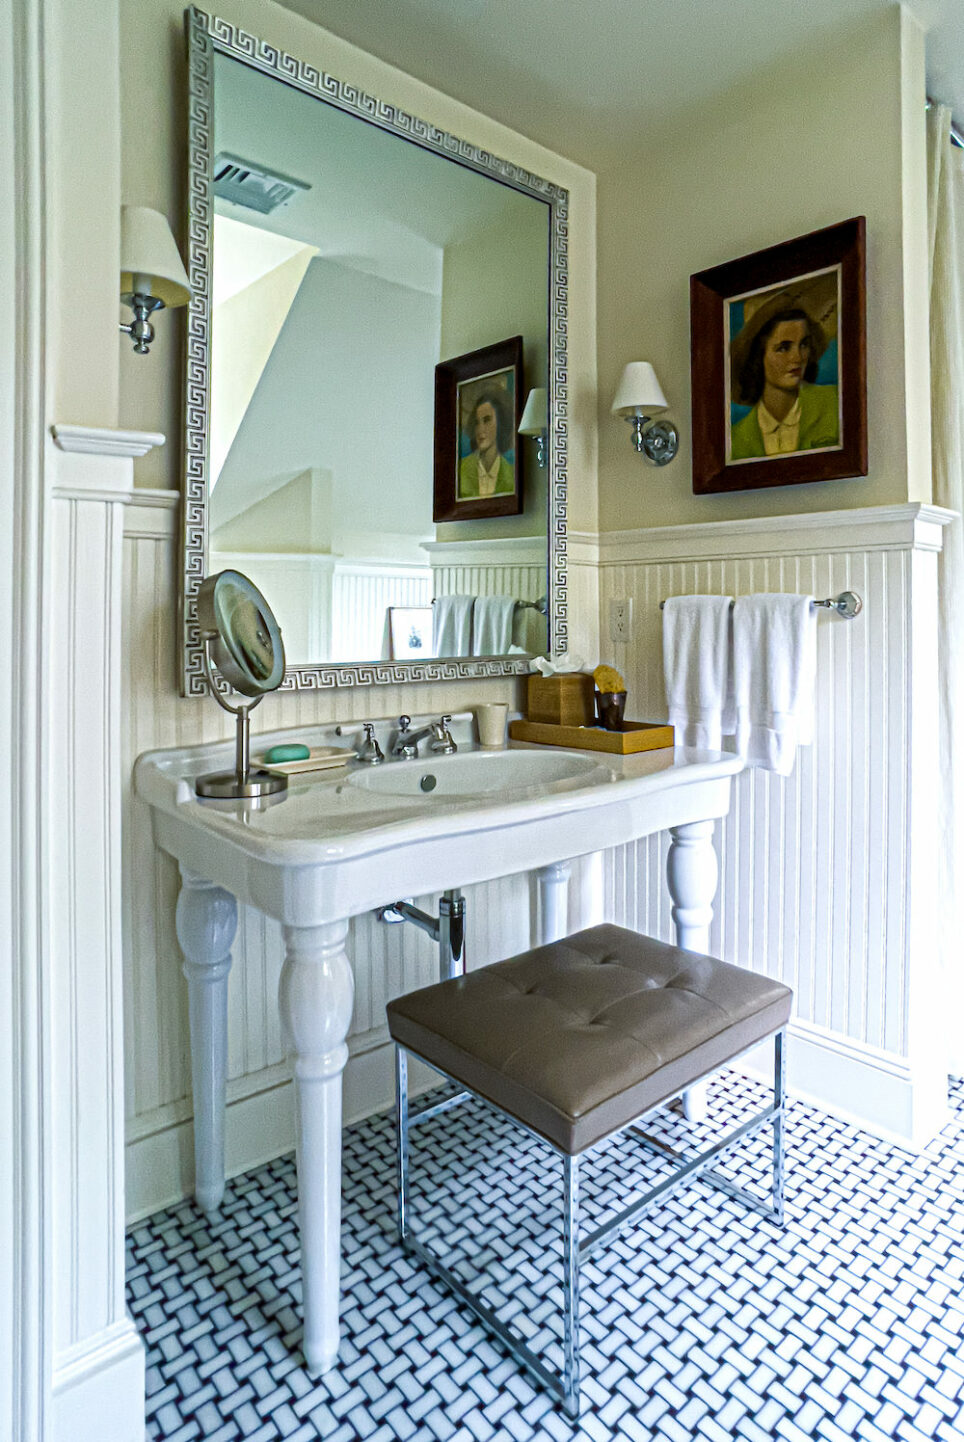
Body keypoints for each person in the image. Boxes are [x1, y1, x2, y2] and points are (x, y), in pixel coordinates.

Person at [729, 292, 839, 462]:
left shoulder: (835, 402)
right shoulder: (736, 439)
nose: (798, 357)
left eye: (803, 345)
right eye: (783, 348)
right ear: (759, 356)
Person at [458, 388, 515, 498]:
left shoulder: (512, 475)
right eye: (477, 422)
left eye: (487, 420)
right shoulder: (461, 470)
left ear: (500, 422)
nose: (480, 429)